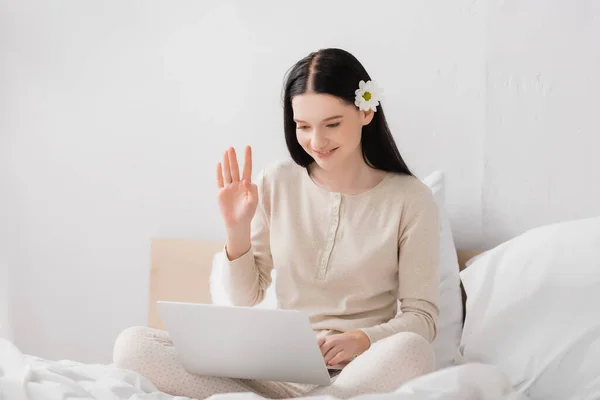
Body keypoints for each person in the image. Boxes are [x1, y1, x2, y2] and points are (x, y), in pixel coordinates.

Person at [113, 48, 441, 399]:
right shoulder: (277, 180)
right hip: (275, 368)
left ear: (365, 112)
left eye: (332, 124)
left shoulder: (412, 199)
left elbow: (423, 319)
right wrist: (236, 230)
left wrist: (361, 340)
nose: (317, 142)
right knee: (133, 345)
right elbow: (246, 297)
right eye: (303, 126)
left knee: (412, 350)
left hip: (359, 371)